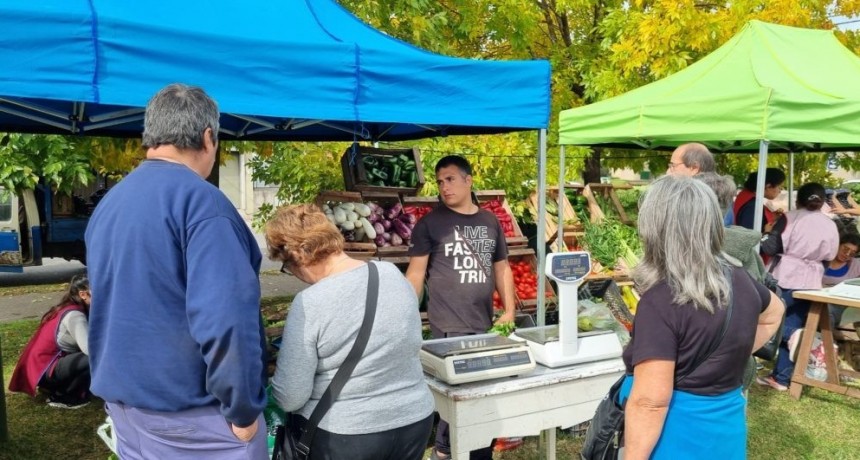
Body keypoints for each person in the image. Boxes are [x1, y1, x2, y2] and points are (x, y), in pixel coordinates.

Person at [85, 84, 268, 459]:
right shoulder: (202, 204)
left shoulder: (111, 202)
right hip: (192, 420)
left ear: (150, 136)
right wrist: (244, 409)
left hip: (127, 410)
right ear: (207, 137)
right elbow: (227, 317)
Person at [620, 175, 783, 459]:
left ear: (655, 229)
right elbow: (775, 312)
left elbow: (650, 403)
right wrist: (730, 353)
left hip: (675, 438)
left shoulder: (660, 301)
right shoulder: (739, 279)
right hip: (727, 433)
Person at [266, 204, 434, 460]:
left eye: (288, 266)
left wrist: (269, 392)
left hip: (346, 434)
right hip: (414, 421)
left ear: (298, 255)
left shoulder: (310, 302)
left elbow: (291, 396)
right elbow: (411, 341)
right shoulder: (391, 273)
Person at [405, 155, 516, 460]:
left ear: (468, 180)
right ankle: (444, 452)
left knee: (483, 395)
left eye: (450, 179)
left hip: (486, 324)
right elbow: (415, 273)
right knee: (456, 398)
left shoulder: (490, 221)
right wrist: (404, 315)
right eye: (440, 181)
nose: (444, 186)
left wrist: (508, 311)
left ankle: (476, 452)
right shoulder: (430, 224)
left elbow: (503, 268)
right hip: (448, 326)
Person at [758, 183, 839, 392]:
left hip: (786, 276)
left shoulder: (790, 218)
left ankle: (795, 338)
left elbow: (770, 246)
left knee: (772, 320)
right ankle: (782, 378)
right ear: (823, 201)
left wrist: (764, 234)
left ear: (798, 199)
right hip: (813, 280)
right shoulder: (830, 223)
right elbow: (830, 257)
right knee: (794, 321)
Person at [9, 274, 92, 409]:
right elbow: (90, 350)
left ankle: (58, 388)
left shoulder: (69, 307)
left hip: (43, 370)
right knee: (95, 358)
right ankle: (64, 396)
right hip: (47, 370)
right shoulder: (75, 316)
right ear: (83, 294)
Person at [822, 232, 860, 328]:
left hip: (837, 305)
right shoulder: (823, 259)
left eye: (852, 253)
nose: (847, 254)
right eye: (845, 249)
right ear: (838, 245)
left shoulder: (855, 265)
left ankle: (825, 340)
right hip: (813, 299)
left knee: (826, 312)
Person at [732, 168, 786, 233]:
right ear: (768, 186)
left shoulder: (746, 195)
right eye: (779, 187)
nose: (780, 191)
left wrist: (772, 216)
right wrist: (767, 233)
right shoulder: (752, 206)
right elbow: (749, 236)